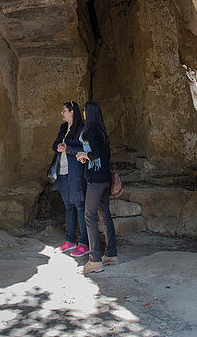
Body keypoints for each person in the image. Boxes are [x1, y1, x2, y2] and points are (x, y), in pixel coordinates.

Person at [76, 100, 117, 274]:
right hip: (104, 177)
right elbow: (103, 155)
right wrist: (88, 157)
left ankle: (94, 260)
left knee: (89, 216)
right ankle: (111, 254)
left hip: (96, 180)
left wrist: (83, 154)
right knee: (104, 215)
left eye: (85, 111)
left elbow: (96, 154)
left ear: (89, 113)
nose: (83, 114)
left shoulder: (91, 130)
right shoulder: (101, 130)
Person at [52, 101, 88, 256]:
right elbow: (55, 144)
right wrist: (58, 147)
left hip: (76, 171)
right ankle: (70, 241)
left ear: (72, 112)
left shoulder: (81, 128)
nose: (62, 113)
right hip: (62, 170)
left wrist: (69, 149)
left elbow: (85, 150)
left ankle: (84, 243)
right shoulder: (62, 128)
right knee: (68, 206)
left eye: (64, 111)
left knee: (80, 206)